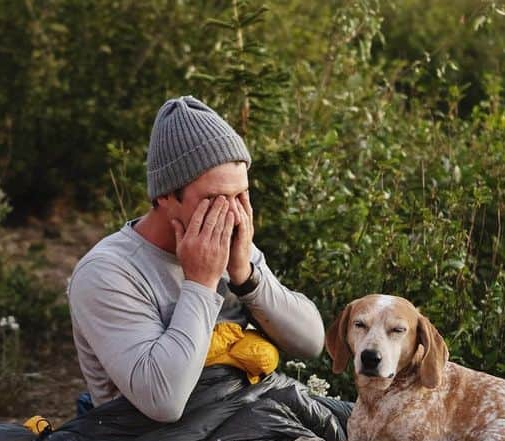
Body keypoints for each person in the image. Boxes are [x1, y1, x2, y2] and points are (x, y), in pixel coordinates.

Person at [67, 96, 324, 421]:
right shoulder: (107, 272)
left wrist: (246, 276)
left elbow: (311, 343)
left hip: (243, 416)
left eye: (240, 196)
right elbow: (164, 402)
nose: (231, 213)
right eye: (214, 199)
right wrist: (200, 284)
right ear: (164, 196)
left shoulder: (232, 243)